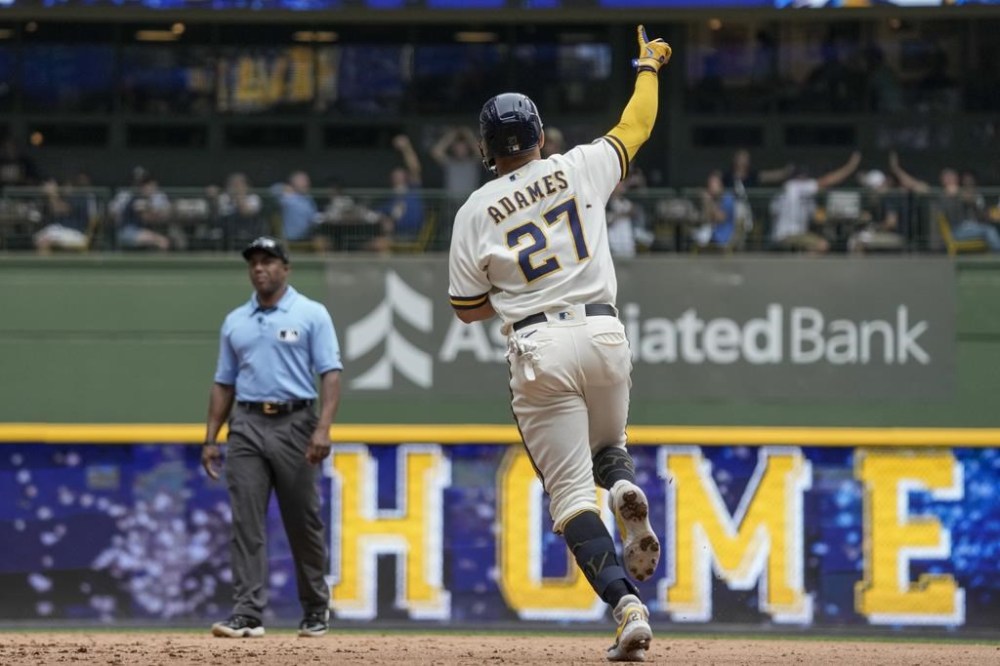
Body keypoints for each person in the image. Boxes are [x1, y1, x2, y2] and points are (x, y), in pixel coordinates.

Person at [447, 25, 669, 663]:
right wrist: (648, 66)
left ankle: (626, 607)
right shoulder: (579, 166)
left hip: (539, 344)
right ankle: (624, 486)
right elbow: (635, 127)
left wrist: (518, 294)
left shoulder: (474, 211)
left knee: (571, 497)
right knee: (610, 447)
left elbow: (465, 308)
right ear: (540, 137)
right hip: (603, 330)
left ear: (489, 150)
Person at [202, 236, 342, 639]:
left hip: (295, 421)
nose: (259, 268)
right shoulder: (236, 321)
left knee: (303, 520)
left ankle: (316, 608)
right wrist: (211, 438)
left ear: (286, 268)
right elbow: (223, 383)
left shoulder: (311, 314)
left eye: (268, 261)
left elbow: (330, 372)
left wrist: (322, 428)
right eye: (254, 262)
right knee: (246, 521)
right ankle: (247, 613)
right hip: (246, 423)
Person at [890, 152, 1000, 252]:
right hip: (957, 231)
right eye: (946, 177)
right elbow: (915, 185)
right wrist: (896, 169)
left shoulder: (962, 191)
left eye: (952, 177)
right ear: (942, 180)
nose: (949, 179)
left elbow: (973, 199)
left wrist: (959, 193)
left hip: (971, 227)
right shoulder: (939, 193)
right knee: (989, 230)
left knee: (990, 229)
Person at [769, 151, 862, 253]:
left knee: (818, 241)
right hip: (789, 234)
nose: (808, 178)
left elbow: (818, 217)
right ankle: (798, 267)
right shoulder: (794, 186)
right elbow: (826, 182)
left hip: (789, 234)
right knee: (822, 245)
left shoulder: (793, 193)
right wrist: (850, 167)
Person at [272, 171, 322, 247]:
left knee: (323, 238)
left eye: (307, 181)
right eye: (303, 181)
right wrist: (285, 188)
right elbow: (273, 189)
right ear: (293, 183)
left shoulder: (309, 198)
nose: (307, 184)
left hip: (308, 233)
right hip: (291, 236)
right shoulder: (287, 197)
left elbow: (313, 216)